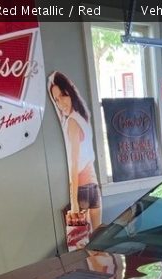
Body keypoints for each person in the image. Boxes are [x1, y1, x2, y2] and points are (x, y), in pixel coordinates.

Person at [48, 72, 102, 230]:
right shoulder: (82, 117)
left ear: (69, 93)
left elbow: (74, 162)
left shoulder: (72, 122)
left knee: (84, 243)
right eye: (56, 100)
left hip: (82, 188)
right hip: (93, 186)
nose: (60, 103)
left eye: (62, 96)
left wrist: (73, 202)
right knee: (97, 237)